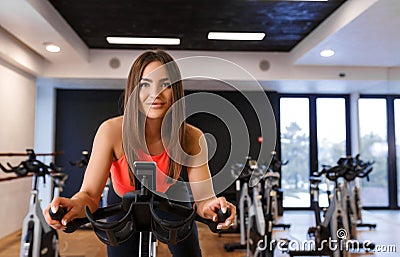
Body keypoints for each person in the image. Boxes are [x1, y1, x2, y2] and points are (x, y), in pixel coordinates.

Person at [43, 50, 236, 257]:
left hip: (171, 201)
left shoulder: (190, 137)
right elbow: (89, 195)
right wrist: (74, 205)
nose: (156, 94)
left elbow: (203, 199)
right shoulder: (111, 132)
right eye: (145, 84)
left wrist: (213, 207)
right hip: (123, 204)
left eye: (165, 85)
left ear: (176, 90)